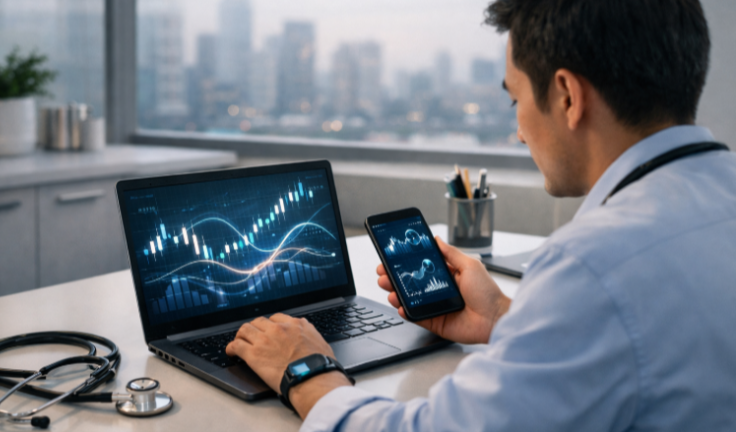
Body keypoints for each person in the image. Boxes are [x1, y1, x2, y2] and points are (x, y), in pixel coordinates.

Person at [226, 0, 736, 430]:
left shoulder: (593, 265)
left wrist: (307, 370)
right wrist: (505, 319)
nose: (519, 131)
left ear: (566, 96)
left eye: (515, 100)